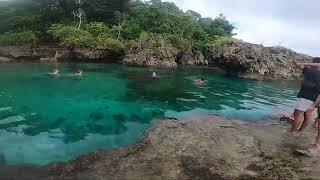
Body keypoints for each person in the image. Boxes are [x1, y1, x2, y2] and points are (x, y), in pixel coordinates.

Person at [292, 58, 320, 132]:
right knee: (307, 115)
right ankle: (301, 131)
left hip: (306, 97)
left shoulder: (310, 71)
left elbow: (297, 64)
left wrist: (303, 63)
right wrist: (314, 105)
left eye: (312, 62)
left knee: (298, 113)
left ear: (315, 63)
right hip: (315, 98)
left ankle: (293, 132)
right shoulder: (310, 71)